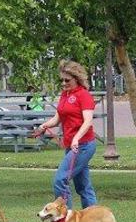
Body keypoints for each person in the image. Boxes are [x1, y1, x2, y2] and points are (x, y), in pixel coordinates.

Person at [36, 60, 97, 209]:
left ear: (77, 79)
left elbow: (88, 121)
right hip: (72, 146)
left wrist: (76, 138)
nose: (63, 83)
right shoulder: (64, 95)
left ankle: (65, 217)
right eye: (61, 80)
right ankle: (95, 220)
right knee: (83, 185)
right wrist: (44, 125)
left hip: (83, 146)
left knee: (60, 179)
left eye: (67, 80)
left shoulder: (84, 95)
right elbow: (57, 119)